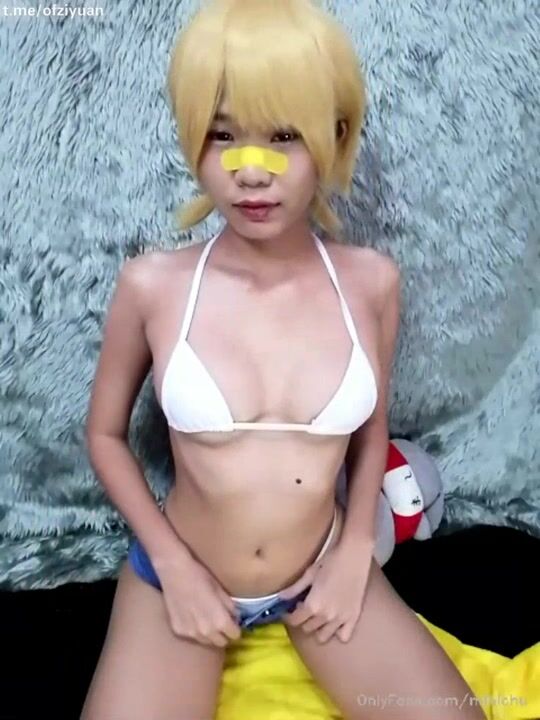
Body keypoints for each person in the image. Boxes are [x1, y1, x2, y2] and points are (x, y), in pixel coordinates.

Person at [81, 1, 485, 718]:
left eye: (284, 137)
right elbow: (105, 435)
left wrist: (354, 551)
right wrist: (172, 566)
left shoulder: (371, 283)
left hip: (321, 570)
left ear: (334, 136)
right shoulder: (152, 285)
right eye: (223, 135)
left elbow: (371, 430)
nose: (251, 171)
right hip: (182, 574)